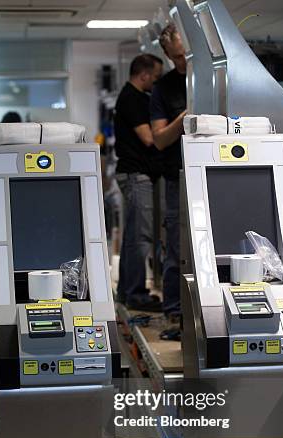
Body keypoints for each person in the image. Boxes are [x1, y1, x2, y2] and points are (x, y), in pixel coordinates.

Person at [115, 53, 164, 312]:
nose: (156, 83)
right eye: (155, 77)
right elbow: (149, 138)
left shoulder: (133, 97)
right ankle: (135, 294)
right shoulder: (132, 99)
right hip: (136, 175)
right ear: (143, 74)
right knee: (140, 237)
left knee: (134, 236)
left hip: (135, 174)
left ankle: (127, 290)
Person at [150, 24, 187, 321]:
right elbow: (160, 139)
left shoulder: (218, 79)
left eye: (187, 53)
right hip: (177, 178)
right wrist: (185, 117)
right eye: (177, 57)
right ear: (167, 55)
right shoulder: (163, 89)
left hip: (214, 176)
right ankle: (174, 310)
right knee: (176, 245)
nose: (184, 60)